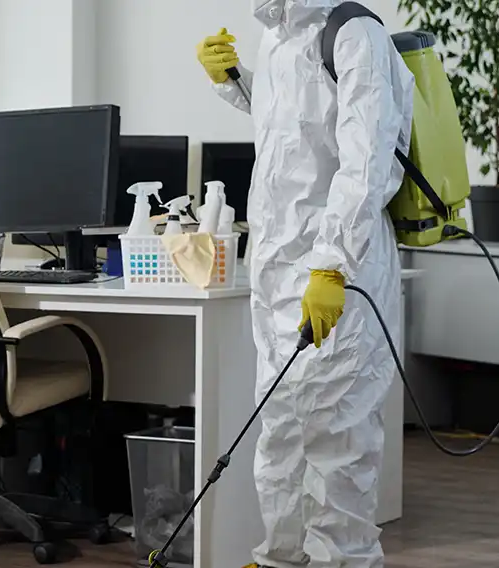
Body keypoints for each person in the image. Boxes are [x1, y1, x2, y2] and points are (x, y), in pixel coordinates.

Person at [195, 1, 409, 567]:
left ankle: (345, 561)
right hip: (276, 272)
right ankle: (279, 559)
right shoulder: (275, 39)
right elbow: (292, 134)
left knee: (337, 442)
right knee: (282, 430)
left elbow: (365, 161)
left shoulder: (354, 34)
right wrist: (234, 82)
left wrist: (332, 263)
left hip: (339, 268)